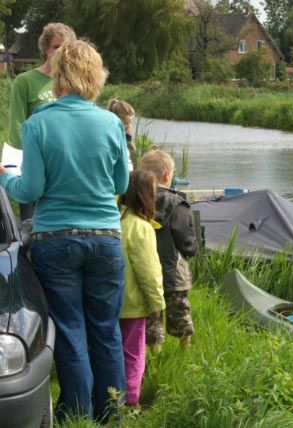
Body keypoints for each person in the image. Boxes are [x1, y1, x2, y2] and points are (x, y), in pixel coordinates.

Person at [0, 40, 129, 421]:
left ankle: (78, 415)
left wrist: (6, 178)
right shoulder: (111, 123)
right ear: (95, 76)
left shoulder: (37, 124)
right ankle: (113, 414)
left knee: (71, 332)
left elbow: (31, 191)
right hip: (106, 239)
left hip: (55, 241)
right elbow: (121, 184)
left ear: (58, 75)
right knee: (106, 330)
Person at [7, 22, 76, 220]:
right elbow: (17, 128)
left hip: (63, 168)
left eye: (66, 47)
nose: (61, 51)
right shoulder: (25, 81)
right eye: (56, 46)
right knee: (31, 224)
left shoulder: (74, 83)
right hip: (32, 165)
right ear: (46, 49)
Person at [139, 149, 198, 350]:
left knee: (151, 318)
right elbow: (187, 242)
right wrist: (193, 250)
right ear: (167, 175)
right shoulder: (177, 203)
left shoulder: (135, 200)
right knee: (181, 314)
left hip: (145, 271)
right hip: (174, 273)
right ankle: (185, 351)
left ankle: (154, 355)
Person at [118, 169, 165, 407]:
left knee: (111, 351)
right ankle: (131, 401)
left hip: (110, 302)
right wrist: (157, 304)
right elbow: (149, 272)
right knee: (134, 354)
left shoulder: (115, 221)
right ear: (146, 196)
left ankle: (110, 396)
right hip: (133, 305)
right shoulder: (142, 228)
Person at [107, 99, 136, 170]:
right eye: (125, 123)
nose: (129, 127)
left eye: (130, 123)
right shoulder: (110, 141)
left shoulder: (126, 139)